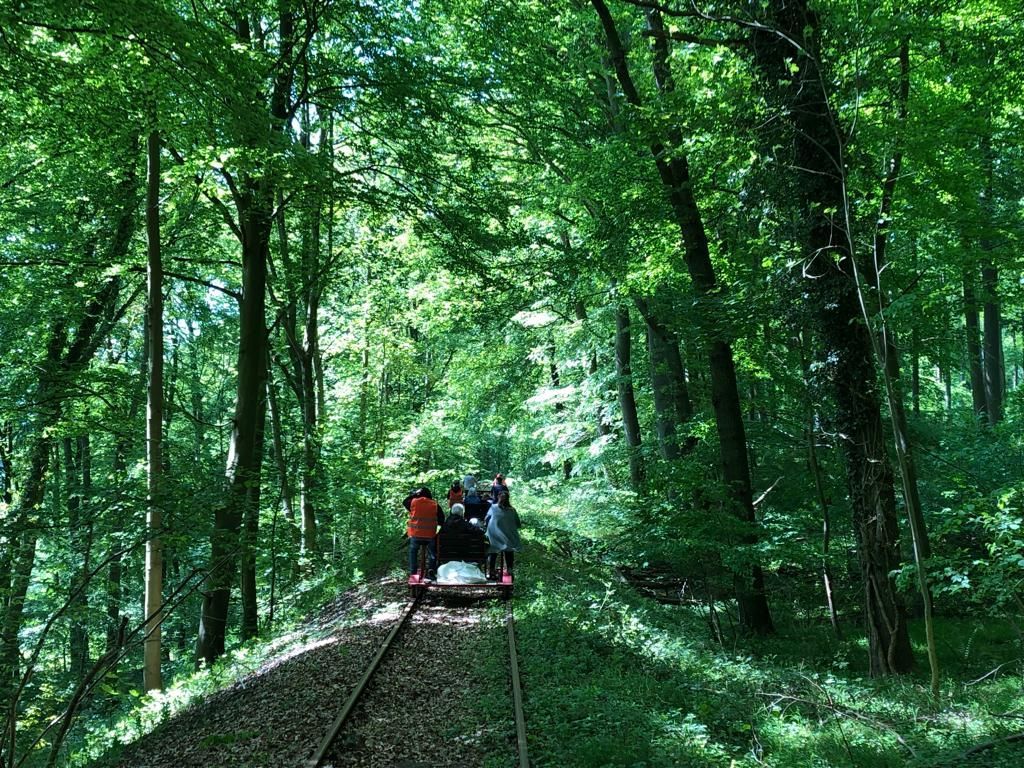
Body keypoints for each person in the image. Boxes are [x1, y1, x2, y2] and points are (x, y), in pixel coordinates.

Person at [406, 487, 444, 581]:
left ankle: (413, 572)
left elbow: (405, 501)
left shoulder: (413, 502)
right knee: (432, 553)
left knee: (413, 552)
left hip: (415, 535)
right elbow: (441, 520)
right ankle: (431, 570)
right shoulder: (435, 505)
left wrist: (415, 494)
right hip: (430, 535)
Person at [484, 491, 521, 580]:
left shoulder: (493, 508)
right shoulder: (512, 510)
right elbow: (518, 524)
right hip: (508, 540)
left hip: (494, 539)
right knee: (509, 550)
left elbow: (486, 519)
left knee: (492, 550)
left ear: (498, 498)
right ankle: (509, 568)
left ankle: (491, 570)